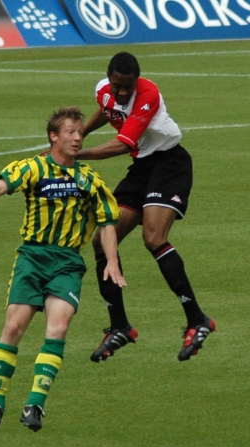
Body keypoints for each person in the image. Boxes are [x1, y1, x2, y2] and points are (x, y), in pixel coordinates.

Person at [0, 107, 125, 432]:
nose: (77, 137)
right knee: (14, 328)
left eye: (79, 132)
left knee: (57, 329)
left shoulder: (89, 179)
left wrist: (112, 261)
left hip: (68, 263)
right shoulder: (33, 167)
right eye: (70, 132)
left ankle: (35, 405)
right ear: (53, 137)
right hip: (32, 258)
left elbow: (107, 221)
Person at [76, 51, 215, 363]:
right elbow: (107, 109)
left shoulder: (148, 94)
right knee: (101, 239)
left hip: (170, 164)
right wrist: (81, 133)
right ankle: (119, 327)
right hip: (142, 168)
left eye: (128, 85)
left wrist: (73, 153)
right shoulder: (104, 90)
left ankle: (197, 320)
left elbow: (122, 144)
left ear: (136, 80)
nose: (122, 91)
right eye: (117, 85)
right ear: (109, 79)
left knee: (153, 238)